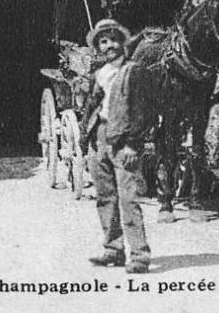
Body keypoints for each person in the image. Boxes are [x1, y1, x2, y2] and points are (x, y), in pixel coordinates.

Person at [81, 18, 157, 274]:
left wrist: (133, 146)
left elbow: (144, 112)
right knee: (105, 197)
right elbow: (90, 107)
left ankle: (139, 255)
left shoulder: (135, 71)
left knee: (128, 199)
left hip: (124, 142)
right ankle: (113, 249)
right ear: (98, 47)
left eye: (114, 39)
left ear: (123, 43)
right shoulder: (98, 74)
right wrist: (86, 139)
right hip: (98, 137)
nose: (109, 45)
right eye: (103, 41)